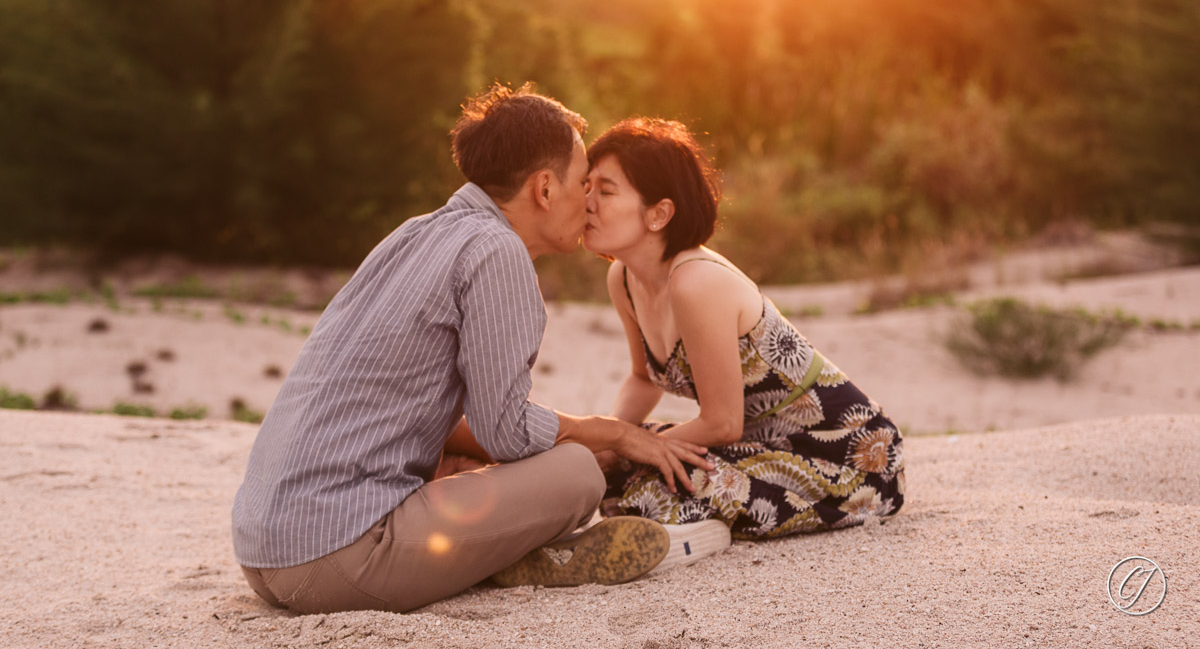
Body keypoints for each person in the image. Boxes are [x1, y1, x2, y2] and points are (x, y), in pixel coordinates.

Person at [232, 85, 714, 615]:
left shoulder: (416, 232)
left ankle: (487, 548)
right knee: (578, 472)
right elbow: (506, 433)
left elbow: (425, 411)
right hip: (336, 559)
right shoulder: (497, 252)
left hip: (263, 551)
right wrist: (611, 432)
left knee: (480, 457)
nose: (590, 202)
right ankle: (509, 558)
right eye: (583, 183)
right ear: (546, 189)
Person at [583, 117, 905, 539]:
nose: (586, 200)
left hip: (849, 459)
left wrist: (629, 446)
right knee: (601, 464)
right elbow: (643, 379)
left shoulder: (696, 281)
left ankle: (684, 536)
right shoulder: (623, 279)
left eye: (605, 191)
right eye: (585, 186)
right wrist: (612, 443)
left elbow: (721, 424)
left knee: (659, 481)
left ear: (659, 213)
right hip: (757, 450)